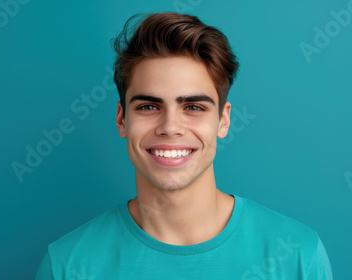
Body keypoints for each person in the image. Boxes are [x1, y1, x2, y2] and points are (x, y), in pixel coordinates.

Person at [35, 12, 333, 280]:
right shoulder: (66, 265)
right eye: (149, 107)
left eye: (193, 107)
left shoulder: (297, 255)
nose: (170, 127)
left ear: (223, 120)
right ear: (122, 119)